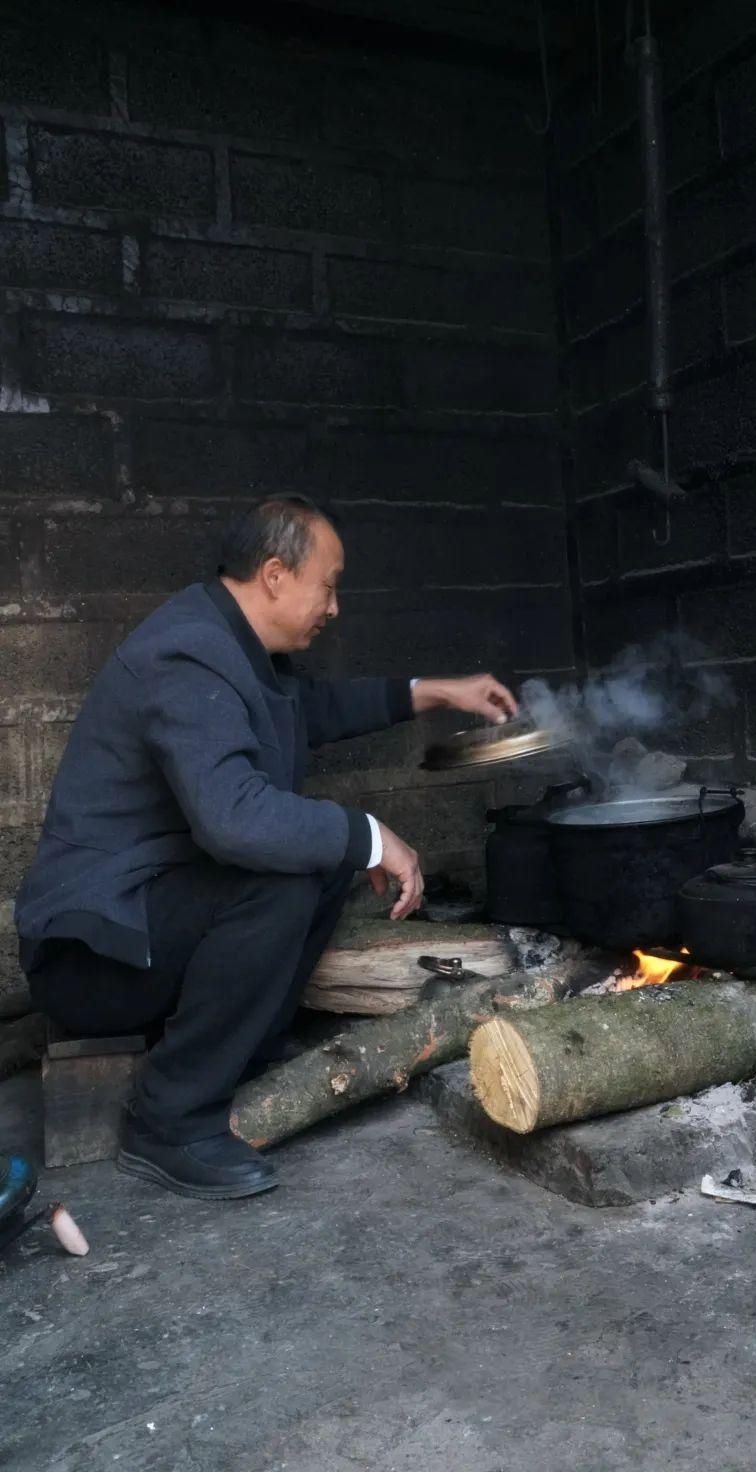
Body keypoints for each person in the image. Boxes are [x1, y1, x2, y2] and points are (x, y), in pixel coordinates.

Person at [15, 495, 518, 1201]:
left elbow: (313, 711)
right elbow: (232, 820)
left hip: (142, 928)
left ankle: (238, 1054)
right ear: (276, 574)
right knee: (282, 873)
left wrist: (435, 692)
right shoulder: (186, 653)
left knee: (312, 863)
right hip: (92, 958)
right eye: (330, 583)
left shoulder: (240, 651)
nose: (335, 606)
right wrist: (368, 835)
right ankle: (168, 1118)